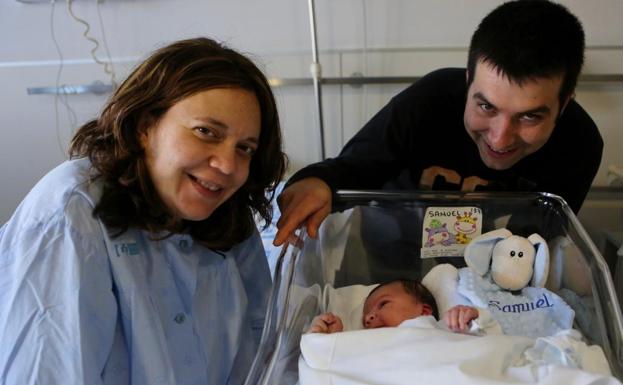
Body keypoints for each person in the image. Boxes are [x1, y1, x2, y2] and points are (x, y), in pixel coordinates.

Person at [0, 37, 287, 385]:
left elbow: (265, 354)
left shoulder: (228, 216)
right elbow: (48, 372)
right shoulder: (73, 215)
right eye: (206, 132)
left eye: (245, 148)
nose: (227, 164)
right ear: (144, 127)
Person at [274, 0, 603, 247]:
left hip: (496, 275)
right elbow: (355, 166)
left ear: (565, 104)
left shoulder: (580, 143)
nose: (500, 139)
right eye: (486, 106)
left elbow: (536, 243)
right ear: (467, 82)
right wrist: (316, 181)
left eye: (529, 116)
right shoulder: (428, 102)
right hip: (391, 257)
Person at [308, 279, 493, 334]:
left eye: (383, 304)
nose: (368, 318)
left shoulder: (444, 329)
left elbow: (491, 334)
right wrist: (328, 341)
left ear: (424, 311)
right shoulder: (366, 344)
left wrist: (469, 317)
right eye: (366, 316)